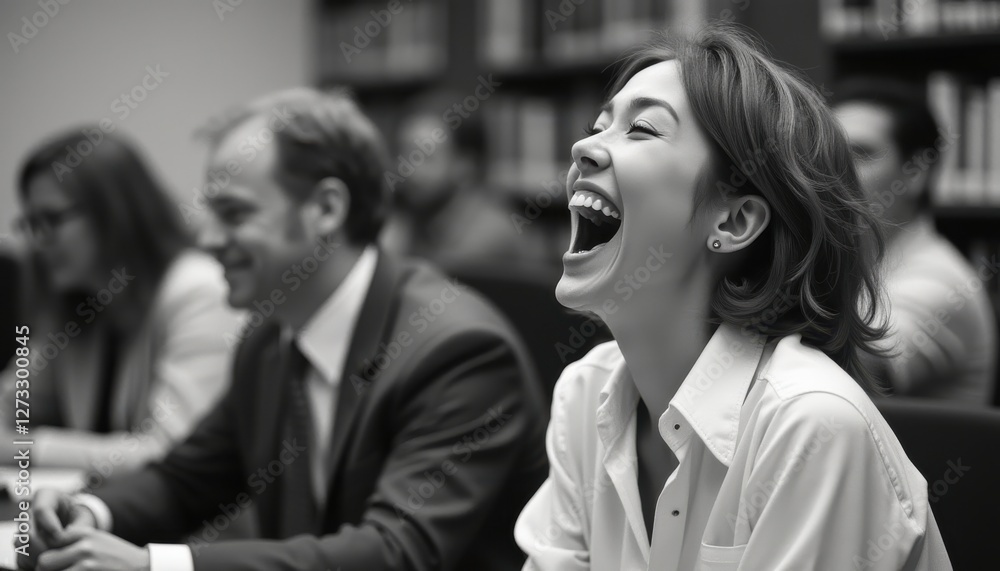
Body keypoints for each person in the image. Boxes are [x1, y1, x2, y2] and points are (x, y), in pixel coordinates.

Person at [21, 88, 547, 571]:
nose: (206, 239)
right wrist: (90, 511)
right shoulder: (270, 335)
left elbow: (395, 552)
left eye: (233, 213)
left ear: (326, 209)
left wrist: (156, 566)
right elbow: (186, 479)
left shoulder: (456, 351)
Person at [514, 23, 952, 570]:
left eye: (642, 129)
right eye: (598, 126)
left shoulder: (812, 425)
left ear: (735, 221)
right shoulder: (586, 393)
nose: (582, 147)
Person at [0, 129, 242, 471]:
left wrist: (27, 449)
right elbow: (13, 404)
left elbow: (172, 454)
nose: (38, 241)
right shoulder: (75, 300)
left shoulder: (198, 291)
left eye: (51, 220)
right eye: (31, 224)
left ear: (113, 211)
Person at [833, 78, 997, 405]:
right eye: (827, 152)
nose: (834, 171)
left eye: (860, 153)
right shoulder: (857, 264)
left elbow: (856, 371)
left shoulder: (940, 281)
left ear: (916, 172)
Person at [380, 92, 564, 276]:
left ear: (466, 164)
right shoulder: (416, 217)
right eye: (404, 154)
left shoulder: (489, 236)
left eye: (427, 159)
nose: (408, 170)